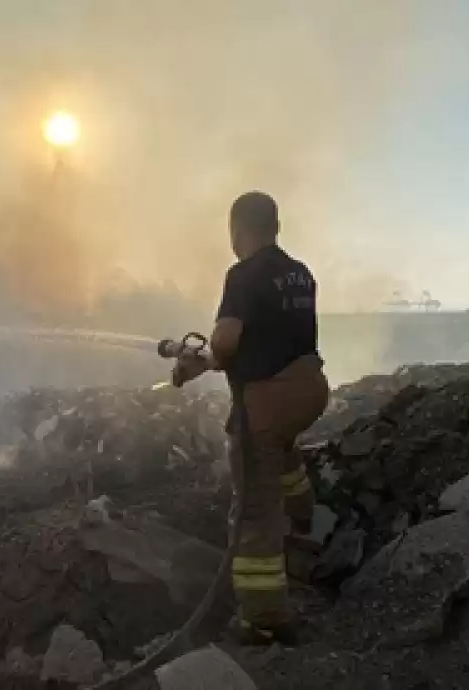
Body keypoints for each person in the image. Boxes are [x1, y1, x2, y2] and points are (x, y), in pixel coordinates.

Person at [173, 190, 329, 645]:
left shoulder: (243, 274)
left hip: (266, 405)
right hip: (308, 393)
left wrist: (204, 358)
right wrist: (211, 360)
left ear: (238, 229)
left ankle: (265, 617)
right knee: (282, 453)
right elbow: (269, 338)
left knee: (255, 507)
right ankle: (307, 522)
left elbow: (225, 342)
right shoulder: (301, 275)